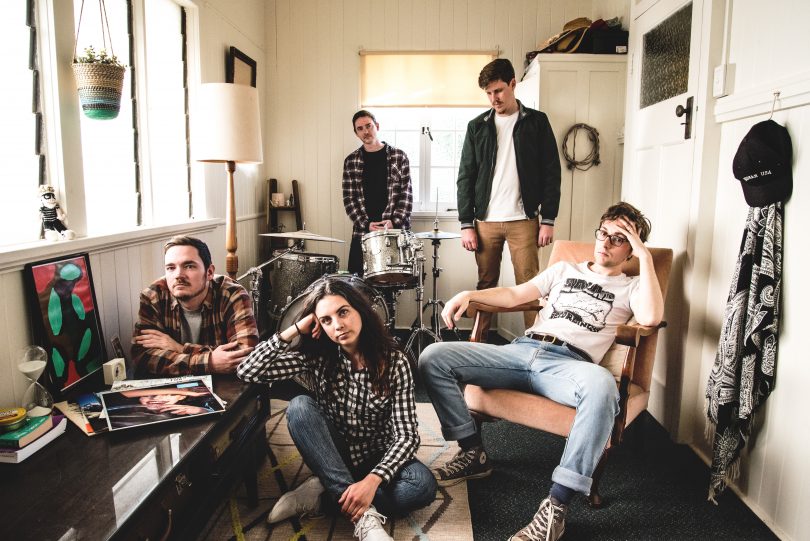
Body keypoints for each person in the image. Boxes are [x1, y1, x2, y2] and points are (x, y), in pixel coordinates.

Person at [419, 202, 663, 541]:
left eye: (618, 239)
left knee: (603, 386)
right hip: (520, 350)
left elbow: (650, 318)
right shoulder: (564, 270)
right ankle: (473, 451)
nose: (605, 243)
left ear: (632, 250)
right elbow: (515, 294)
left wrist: (646, 257)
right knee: (433, 356)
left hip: (568, 365)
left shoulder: (632, 286)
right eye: (603, 233)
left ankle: (557, 506)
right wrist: (470, 293)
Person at [237, 277, 436, 541]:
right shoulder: (316, 357)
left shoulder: (395, 361)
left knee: (422, 488)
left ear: (360, 310)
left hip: (377, 453)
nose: (338, 325)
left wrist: (372, 480)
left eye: (343, 312)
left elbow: (406, 436)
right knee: (299, 407)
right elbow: (248, 371)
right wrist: (295, 328)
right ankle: (365, 519)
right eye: (326, 320)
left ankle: (321, 494)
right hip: (333, 452)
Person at [456, 58, 561, 338]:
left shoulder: (537, 122)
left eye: (499, 91)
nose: (494, 98)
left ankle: (536, 345)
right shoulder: (476, 127)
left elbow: (552, 172)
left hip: (524, 221)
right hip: (485, 222)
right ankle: (479, 346)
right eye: (488, 93)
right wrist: (466, 223)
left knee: (530, 286)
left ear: (513, 84)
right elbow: (465, 176)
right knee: (486, 286)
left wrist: (548, 219)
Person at [132, 236, 258, 376]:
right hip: (173, 389)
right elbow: (143, 357)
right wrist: (209, 363)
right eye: (171, 268)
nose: (178, 275)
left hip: (225, 385)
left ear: (209, 272)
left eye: (189, 266)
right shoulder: (153, 296)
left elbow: (245, 356)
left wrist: (178, 347)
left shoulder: (232, 294)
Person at [342, 110, 413, 275]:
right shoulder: (351, 161)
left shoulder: (399, 156)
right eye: (360, 128)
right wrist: (366, 224)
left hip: (393, 233)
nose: (365, 131)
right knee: (357, 285)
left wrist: (393, 222)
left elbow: (406, 195)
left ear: (377, 126)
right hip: (362, 232)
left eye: (369, 126)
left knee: (390, 290)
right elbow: (349, 199)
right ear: (356, 133)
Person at [104, 385, 222, 428]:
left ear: (180, 398)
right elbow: (126, 393)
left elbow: (215, 412)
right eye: (156, 396)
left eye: (169, 395)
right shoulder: (140, 407)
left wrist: (196, 410)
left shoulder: (187, 408)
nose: (160, 398)